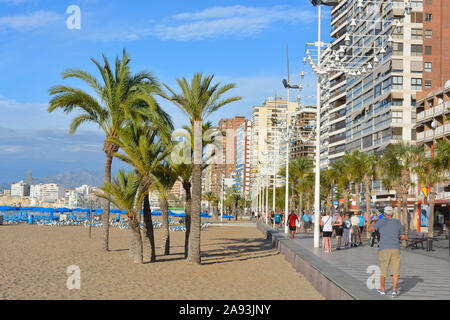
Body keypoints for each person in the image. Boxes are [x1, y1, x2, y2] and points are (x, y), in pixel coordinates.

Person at [368, 206, 406, 298]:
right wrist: (397, 237)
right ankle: (394, 290)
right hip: (395, 248)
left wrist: (374, 220)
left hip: (384, 248)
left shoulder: (381, 221)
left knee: (383, 270)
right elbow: (403, 236)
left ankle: (383, 289)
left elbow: (370, 230)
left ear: (384, 214)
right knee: (395, 270)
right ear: (392, 214)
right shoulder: (397, 222)